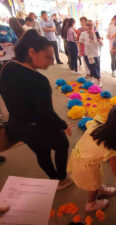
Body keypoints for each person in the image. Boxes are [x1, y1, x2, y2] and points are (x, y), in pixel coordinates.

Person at [0, 30, 72, 189]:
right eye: (48, 57)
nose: (51, 62)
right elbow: (46, 113)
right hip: (37, 126)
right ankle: (60, 178)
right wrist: (63, 124)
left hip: (18, 125)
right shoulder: (39, 81)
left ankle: (53, 178)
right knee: (62, 144)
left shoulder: (7, 66)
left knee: (41, 150)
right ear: (32, 52)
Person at [67, 106, 116, 212]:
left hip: (81, 157)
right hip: (86, 167)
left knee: (97, 180)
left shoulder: (96, 124)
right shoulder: (112, 145)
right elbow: (115, 170)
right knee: (94, 185)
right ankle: (91, 204)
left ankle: (100, 190)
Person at [79, 20, 103, 87]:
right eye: (88, 25)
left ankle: (99, 80)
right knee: (90, 68)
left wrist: (100, 41)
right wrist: (80, 51)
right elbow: (80, 43)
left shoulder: (97, 34)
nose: (90, 26)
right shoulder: (83, 34)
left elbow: (101, 44)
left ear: (93, 26)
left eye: (91, 25)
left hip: (95, 55)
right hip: (87, 54)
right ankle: (92, 78)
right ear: (86, 26)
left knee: (96, 68)